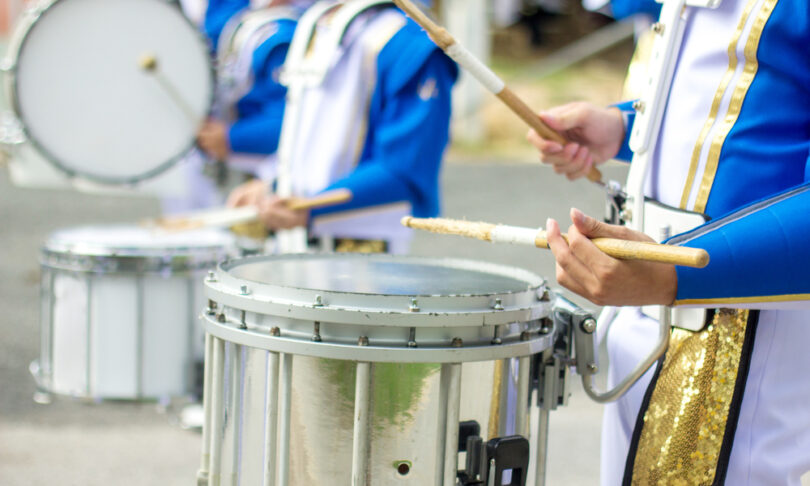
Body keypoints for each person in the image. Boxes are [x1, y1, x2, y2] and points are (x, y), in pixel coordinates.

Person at [527, 0, 810, 484]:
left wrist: (672, 271)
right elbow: (747, 97)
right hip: (650, 312)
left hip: (742, 325)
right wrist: (624, 127)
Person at [227, 0, 458, 254]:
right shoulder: (321, 22)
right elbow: (314, 136)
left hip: (365, 251)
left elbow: (404, 169)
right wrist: (274, 186)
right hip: (298, 243)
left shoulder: (408, 42)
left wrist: (313, 208)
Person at [162, 0, 302, 213]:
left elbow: (296, 120)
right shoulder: (235, 17)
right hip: (217, 166)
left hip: (267, 175)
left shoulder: (281, 34)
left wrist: (232, 137)